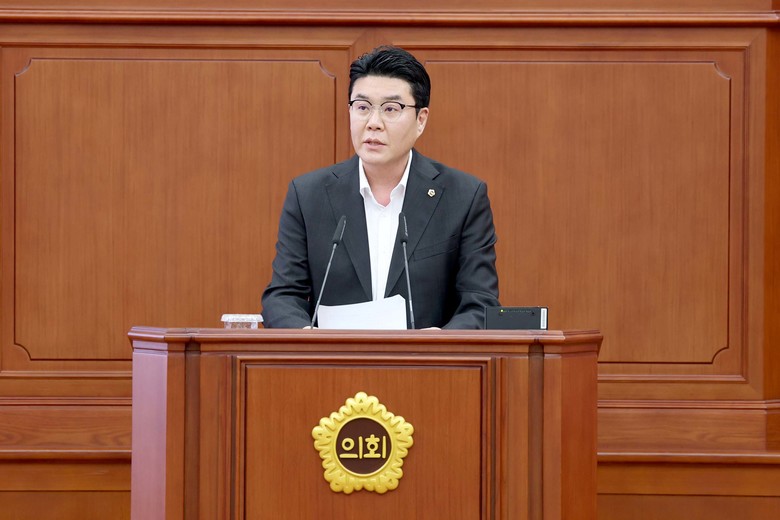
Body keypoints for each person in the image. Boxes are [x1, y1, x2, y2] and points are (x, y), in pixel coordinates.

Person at [261, 45, 499, 329]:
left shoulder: (463, 197)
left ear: (421, 120)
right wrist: (309, 340)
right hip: (331, 358)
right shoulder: (308, 195)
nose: (373, 123)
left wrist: (438, 344)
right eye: (362, 107)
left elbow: (480, 303)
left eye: (390, 109)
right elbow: (283, 296)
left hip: (426, 358)